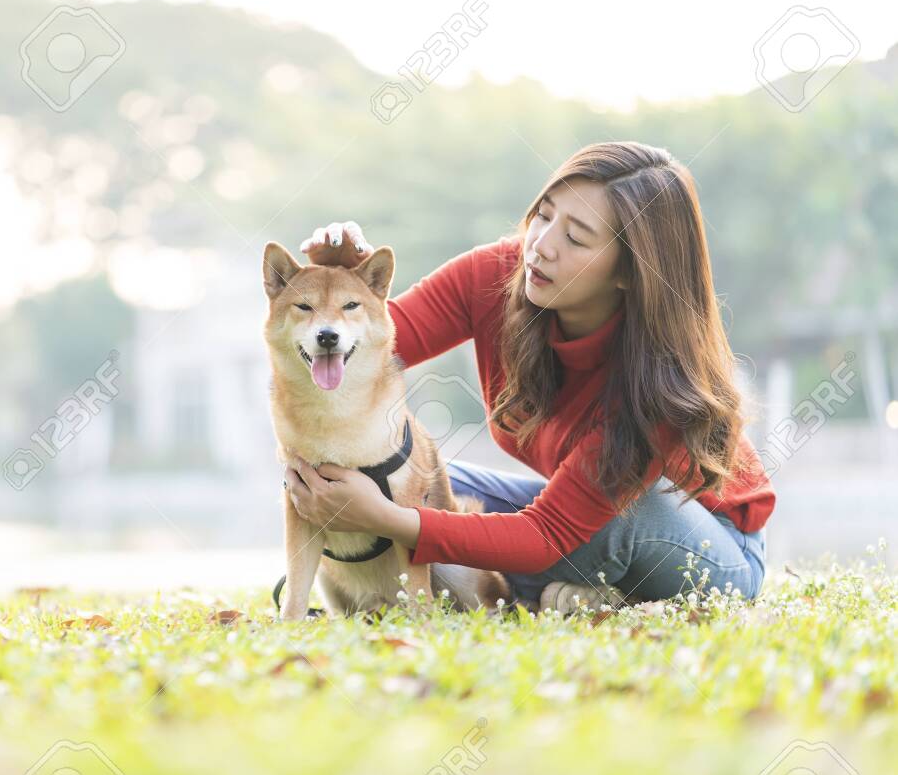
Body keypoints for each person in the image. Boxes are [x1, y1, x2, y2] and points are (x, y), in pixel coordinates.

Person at [283, 141, 773, 612]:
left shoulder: (655, 385)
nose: (540, 245)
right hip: (574, 516)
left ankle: (563, 587)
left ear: (630, 271)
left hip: (709, 545)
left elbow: (546, 535)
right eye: (543, 215)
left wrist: (386, 520)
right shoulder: (495, 274)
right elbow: (370, 354)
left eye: (576, 237)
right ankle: (526, 588)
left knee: (622, 516)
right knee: (412, 477)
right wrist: (339, 297)